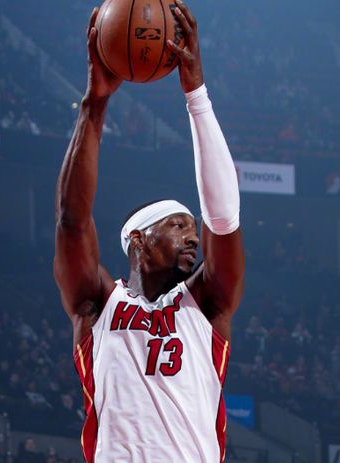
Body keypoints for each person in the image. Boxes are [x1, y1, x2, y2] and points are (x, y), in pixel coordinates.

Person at [53, 1, 243, 462]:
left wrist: (196, 94)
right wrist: (95, 103)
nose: (193, 238)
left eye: (193, 228)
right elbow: (72, 222)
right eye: (178, 226)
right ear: (138, 240)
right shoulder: (98, 304)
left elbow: (224, 220)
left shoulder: (207, 304)